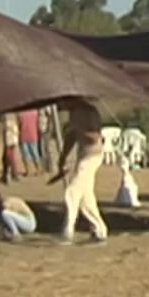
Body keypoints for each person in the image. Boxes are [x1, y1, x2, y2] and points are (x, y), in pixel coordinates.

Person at [48, 100, 108, 244]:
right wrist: (62, 158)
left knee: (72, 192)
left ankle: (67, 231)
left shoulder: (89, 112)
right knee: (86, 197)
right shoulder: (74, 114)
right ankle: (100, 230)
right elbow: (71, 137)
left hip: (93, 155)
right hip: (83, 156)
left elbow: (95, 137)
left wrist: (79, 129)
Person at [18, 108, 43, 176]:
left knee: (25, 155)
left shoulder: (20, 113)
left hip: (24, 135)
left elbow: (19, 124)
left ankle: (28, 170)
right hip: (33, 134)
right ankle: (38, 170)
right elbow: (38, 123)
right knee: (35, 153)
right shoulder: (35, 112)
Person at [0, 112, 22, 184]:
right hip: (12, 132)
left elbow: (6, 123)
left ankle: (10, 174)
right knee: (7, 155)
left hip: (10, 133)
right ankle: (8, 174)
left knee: (8, 155)